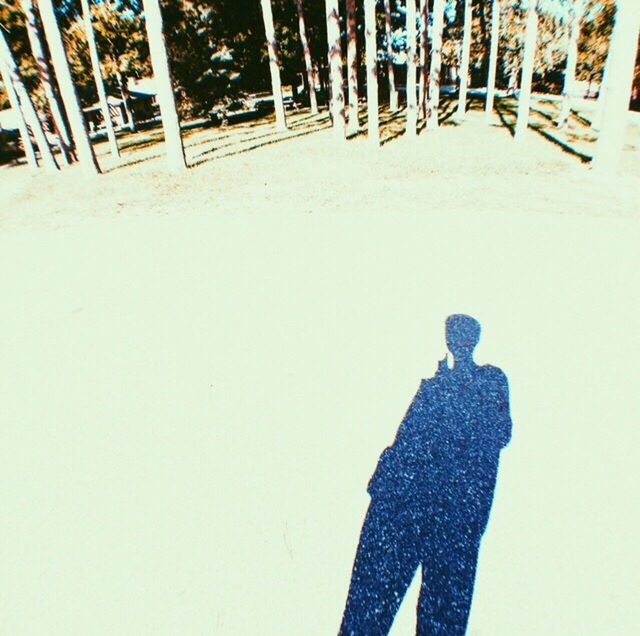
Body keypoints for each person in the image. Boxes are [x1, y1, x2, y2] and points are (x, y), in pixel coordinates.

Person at [339, 314, 512, 635]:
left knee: (442, 613)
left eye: (461, 333)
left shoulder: (488, 380)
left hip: (452, 510)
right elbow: (406, 439)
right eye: (452, 333)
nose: (455, 339)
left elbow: (497, 431)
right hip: (400, 504)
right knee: (366, 611)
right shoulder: (434, 387)